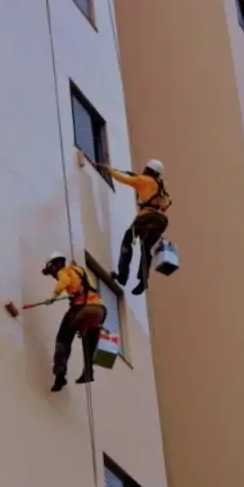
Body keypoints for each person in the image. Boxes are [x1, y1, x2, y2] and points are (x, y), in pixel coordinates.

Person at [95, 159, 171, 295]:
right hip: (161, 221)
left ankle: (122, 276)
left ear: (148, 169)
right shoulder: (163, 184)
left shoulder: (142, 180)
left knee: (127, 241)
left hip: (146, 218)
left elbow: (123, 179)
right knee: (145, 248)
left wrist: (108, 169)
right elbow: (166, 203)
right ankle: (143, 280)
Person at [41, 251, 107, 392]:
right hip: (100, 310)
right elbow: (82, 286)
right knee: (90, 338)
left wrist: (53, 297)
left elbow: (64, 282)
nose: (53, 275)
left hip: (83, 309)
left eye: (51, 271)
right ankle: (88, 371)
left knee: (63, 338)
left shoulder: (63, 271)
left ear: (56, 265)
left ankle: (60, 375)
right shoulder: (78, 270)